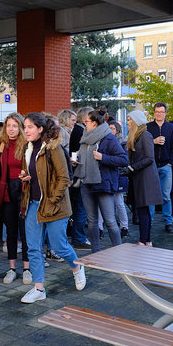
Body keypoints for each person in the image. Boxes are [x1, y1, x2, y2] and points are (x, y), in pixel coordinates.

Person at [19, 113, 86, 304]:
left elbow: (65, 178)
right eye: (25, 127)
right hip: (33, 204)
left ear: (40, 129)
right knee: (33, 248)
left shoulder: (53, 147)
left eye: (30, 127)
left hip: (55, 205)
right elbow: (37, 174)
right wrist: (26, 177)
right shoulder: (28, 148)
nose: (26, 130)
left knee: (58, 246)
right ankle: (39, 288)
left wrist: (53, 199)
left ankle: (77, 268)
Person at [75, 110, 128, 252]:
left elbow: (123, 160)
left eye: (86, 121)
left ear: (94, 123)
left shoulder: (109, 138)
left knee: (110, 221)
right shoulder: (85, 138)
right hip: (87, 183)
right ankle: (95, 252)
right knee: (92, 221)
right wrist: (77, 162)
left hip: (104, 184)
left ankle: (118, 252)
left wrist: (103, 157)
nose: (84, 123)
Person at [0, 113, 32, 284]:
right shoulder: (0, 146)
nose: (11, 129)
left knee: (26, 232)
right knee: (11, 232)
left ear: (21, 128)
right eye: (8, 125)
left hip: (23, 192)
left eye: (15, 126)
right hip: (7, 191)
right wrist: (0, 185)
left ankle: (27, 269)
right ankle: (12, 268)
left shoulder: (27, 146)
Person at [126, 110, 162, 246]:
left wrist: (132, 167)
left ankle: (144, 241)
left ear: (136, 121)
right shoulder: (136, 136)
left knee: (143, 210)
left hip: (145, 178)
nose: (128, 122)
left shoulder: (145, 135)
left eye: (129, 120)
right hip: (139, 177)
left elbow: (149, 158)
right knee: (142, 210)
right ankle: (146, 241)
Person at [146, 102, 173, 233]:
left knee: (166, 195)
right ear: (154, 113)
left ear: (165, 113)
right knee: (151, 196)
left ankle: (168, 222)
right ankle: (149, 221)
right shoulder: (147, 127)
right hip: (151, 166)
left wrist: (170, 162)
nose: (159, 114)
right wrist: (153, 141)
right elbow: (142, 145)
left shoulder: (171, 127)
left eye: (161, 112)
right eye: (157, 112)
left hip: (166, 165)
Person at [69, 106, 94, 249]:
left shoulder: (76, 130)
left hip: (77, 173)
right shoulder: (81, 131)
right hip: (80, 174)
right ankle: (78, 238)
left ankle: (77, 236)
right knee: (81, 208)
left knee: (79, 207)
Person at [108, 121, 130, 238]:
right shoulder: (104, 142)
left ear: (117, 130)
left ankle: (124, 226)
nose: (110, 130)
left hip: (118, 175)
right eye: (109, 128)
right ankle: (101, 227)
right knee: (105, 203)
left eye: (112, 128)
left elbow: (123, 161)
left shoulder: (122, 144)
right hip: (108, 176)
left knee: (119, 202)